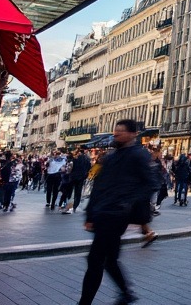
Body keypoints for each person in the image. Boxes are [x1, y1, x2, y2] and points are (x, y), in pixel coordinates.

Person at [79, 120, 155, 305]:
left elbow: (150, 183)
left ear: (132, 134)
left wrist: (128, 202)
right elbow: (98, 186)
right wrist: (90, 214)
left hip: (117, 213)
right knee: (109, 259)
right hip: (104, 211)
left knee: (95, 259)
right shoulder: (111, 157)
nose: (116, 134)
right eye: (115, 130)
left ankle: (84, 303)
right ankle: (126, 293)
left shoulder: (139, 155)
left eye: (121, 131)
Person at [65, 146, 92, 214]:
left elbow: (70, 167)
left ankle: (69, 206)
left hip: (73, 177)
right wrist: (85, 176)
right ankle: (74, 207)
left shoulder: (74, 158)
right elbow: (89, 168)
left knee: (70, 192)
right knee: (78, 192)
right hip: (81, 177)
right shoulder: (87, 159)